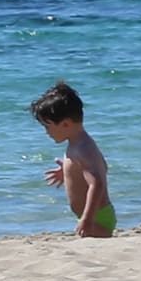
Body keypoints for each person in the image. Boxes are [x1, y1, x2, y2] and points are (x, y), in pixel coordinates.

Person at [32, 82, 117, 238]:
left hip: (96, 217)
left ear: (65, 124)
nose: (46, 133)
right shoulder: (80, 143)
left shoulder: (82, 148)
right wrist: (68, 171)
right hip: (96, 215)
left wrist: (87, 219)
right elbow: (102, 166)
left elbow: (97, 183)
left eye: (47, 127)